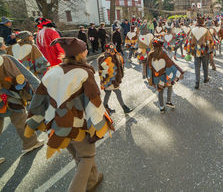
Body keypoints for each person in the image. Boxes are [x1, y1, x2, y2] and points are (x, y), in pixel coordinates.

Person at [25, 37, 114, 191]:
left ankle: (92, 181)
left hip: (56, 126)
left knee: (77, 155)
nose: (87, 50)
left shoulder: (52, 72)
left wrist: (33, 121)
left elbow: (37, 100)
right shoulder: (84, 73)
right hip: (77, 126)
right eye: (85, 48)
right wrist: (100, 124)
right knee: (86, 157)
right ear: (81, 54)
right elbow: (94, 102)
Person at [0, 38, 44, 165]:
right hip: (11, 96)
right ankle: (30, 143)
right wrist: (39, 87)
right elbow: (25, 74)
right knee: (20, 120)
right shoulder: (7, 59)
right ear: (1, 46)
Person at [146, 38, 184, 113]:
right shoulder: (163, 53)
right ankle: (168, 101)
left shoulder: (150, 54)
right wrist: (178, 72)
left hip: (156, 78)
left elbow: (148, 67)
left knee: (160, 91)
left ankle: (161, 108)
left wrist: (150, 78)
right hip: (165, 77)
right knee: (169, 86)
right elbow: (170, 64)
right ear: (161, 46)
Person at [98, 44, 133, 114]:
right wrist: (111, 79)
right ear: (107, 50)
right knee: (118, 92)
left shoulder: (113, 56)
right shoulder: (104, 58)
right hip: (110, 80)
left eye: (113, 49)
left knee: (108, 93)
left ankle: (105, 108)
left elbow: (119, 64)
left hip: (111, 80)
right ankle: (124, 108)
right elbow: (105, 71)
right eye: (111, 50)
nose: (113, 51)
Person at [189, 17, 213, 89]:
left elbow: (190, 40)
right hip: (204, 51)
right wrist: (210, 50)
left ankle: (197, 82)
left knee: (197, 67)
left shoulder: (193, 30)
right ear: (203, 22)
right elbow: (210, 41)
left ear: (197, 22)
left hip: (196, 51)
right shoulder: (206, 30)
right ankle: (205, 79)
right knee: (205, 65)